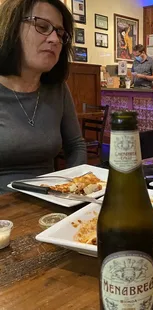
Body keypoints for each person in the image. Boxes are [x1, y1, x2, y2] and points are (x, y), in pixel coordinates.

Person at [0, 0, 86, 194]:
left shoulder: (57, 89)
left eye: (60, 33)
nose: (55, 39)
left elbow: (75, 146)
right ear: (11, 28)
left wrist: (74, 188)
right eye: (42, 26)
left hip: (48, 200)